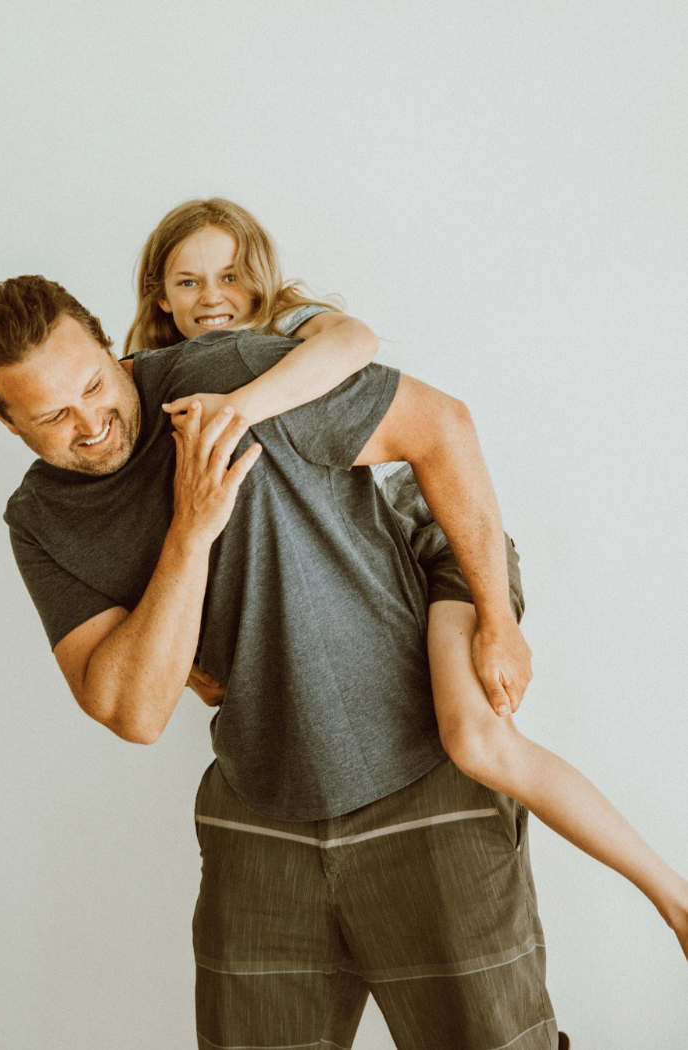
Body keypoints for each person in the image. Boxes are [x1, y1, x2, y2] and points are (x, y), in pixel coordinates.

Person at [0, 273, 561, 1049]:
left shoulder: (231, 375)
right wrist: (190, 531)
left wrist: (496, 620)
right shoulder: (41, 519)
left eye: (94, 385)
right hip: (259, 817)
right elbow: (133, 710)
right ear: (3, 420)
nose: (90, 422)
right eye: (51, 416)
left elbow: (440, 425)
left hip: (423, 785)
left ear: (111, 346)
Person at [123, 197, 688, 966]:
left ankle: (673, 898)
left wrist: (498, 623)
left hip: (432, 542)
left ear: (261, 275)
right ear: (160, 295)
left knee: (478, 743)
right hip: (361, 589)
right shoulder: (151, 392)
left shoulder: (286, 331)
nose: (211, 297)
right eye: (187, 282)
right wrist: (188, 661)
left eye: (230, 275)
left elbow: (356, 340)